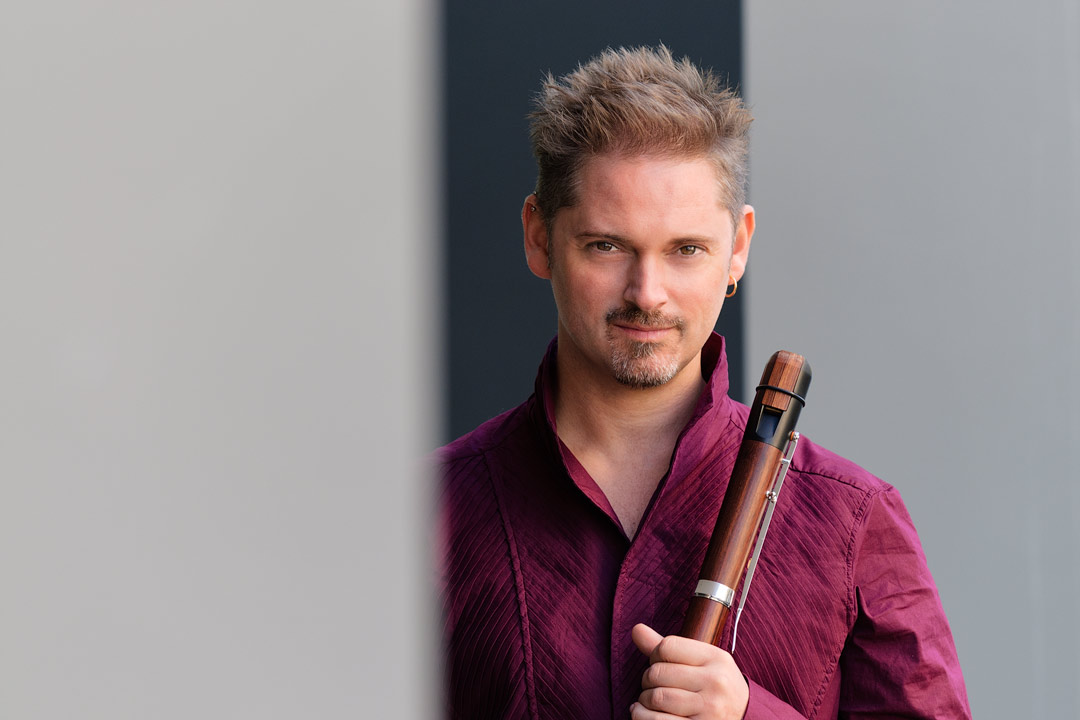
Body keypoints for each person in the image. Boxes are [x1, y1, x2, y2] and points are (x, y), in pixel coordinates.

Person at [438, 45, 970, 720]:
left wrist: (751, 715)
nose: (647, 293)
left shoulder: (854, 518)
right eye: (607, 246)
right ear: (539, 236)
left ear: (737, 247)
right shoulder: (428, 515)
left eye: (686, 250)